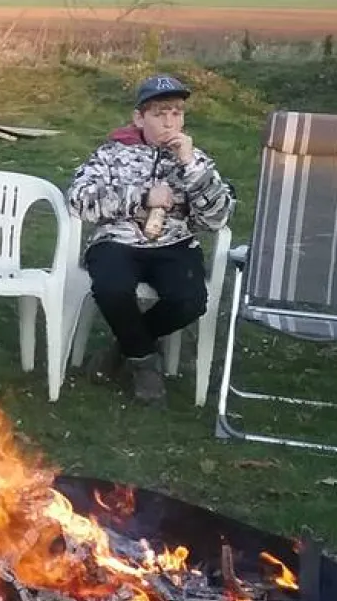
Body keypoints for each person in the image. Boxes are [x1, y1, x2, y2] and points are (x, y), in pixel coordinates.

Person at [66, 74, 236, 404]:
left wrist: (191, 167)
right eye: (159, 114)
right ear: (139, 118)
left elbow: (217, 218)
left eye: (176, 113)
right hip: (118, 241)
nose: (169, 122)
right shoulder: (111, 154)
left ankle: (124, 347)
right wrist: (142, 197)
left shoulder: (195, 160)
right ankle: (145, 362)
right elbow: (78, 198)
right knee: (112, 289)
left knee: (190, 300)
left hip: (174, 244)